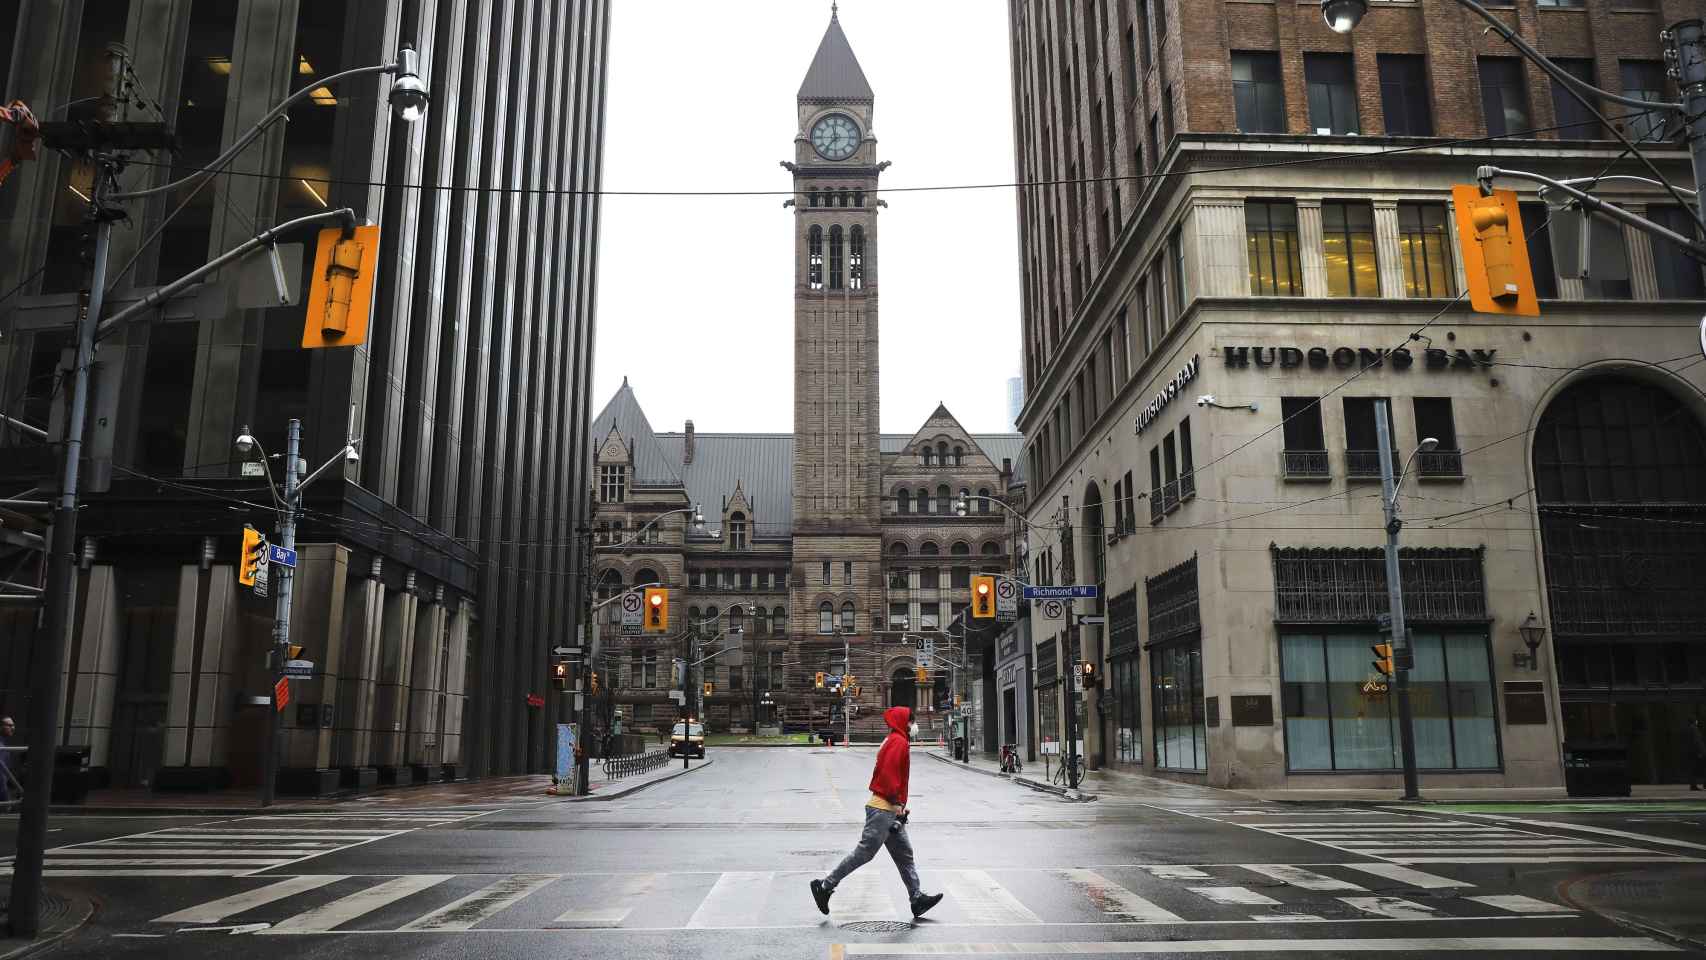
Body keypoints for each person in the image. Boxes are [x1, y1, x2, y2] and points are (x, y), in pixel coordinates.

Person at [810, 705, 943, 920]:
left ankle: (916, 898)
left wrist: (898, 804)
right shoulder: (898, 742)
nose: (913, 726)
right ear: (904, 722)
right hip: (882, 809)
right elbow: (889, 777)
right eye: (911, 721)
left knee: (904, 855)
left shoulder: (895, 740)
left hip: (889, 808)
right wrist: (896, 801)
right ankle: (824, 887)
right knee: (864, 853)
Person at [0, 715, 15, 801]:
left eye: (13, 725)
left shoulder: (3, 745)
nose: (13, 728)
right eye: (9, 725)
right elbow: (1, 775)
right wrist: (5, 797)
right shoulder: (1, 747)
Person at [1689, 717, 1706, 791]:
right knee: (1697, 769)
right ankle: (1695, 785)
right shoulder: (1694, 729)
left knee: (1694, 769)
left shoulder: (1691, 729)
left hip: (1694, 752)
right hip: (1697, 753)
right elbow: (1697, 742)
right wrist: (1701, 752)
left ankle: (1694, 785)